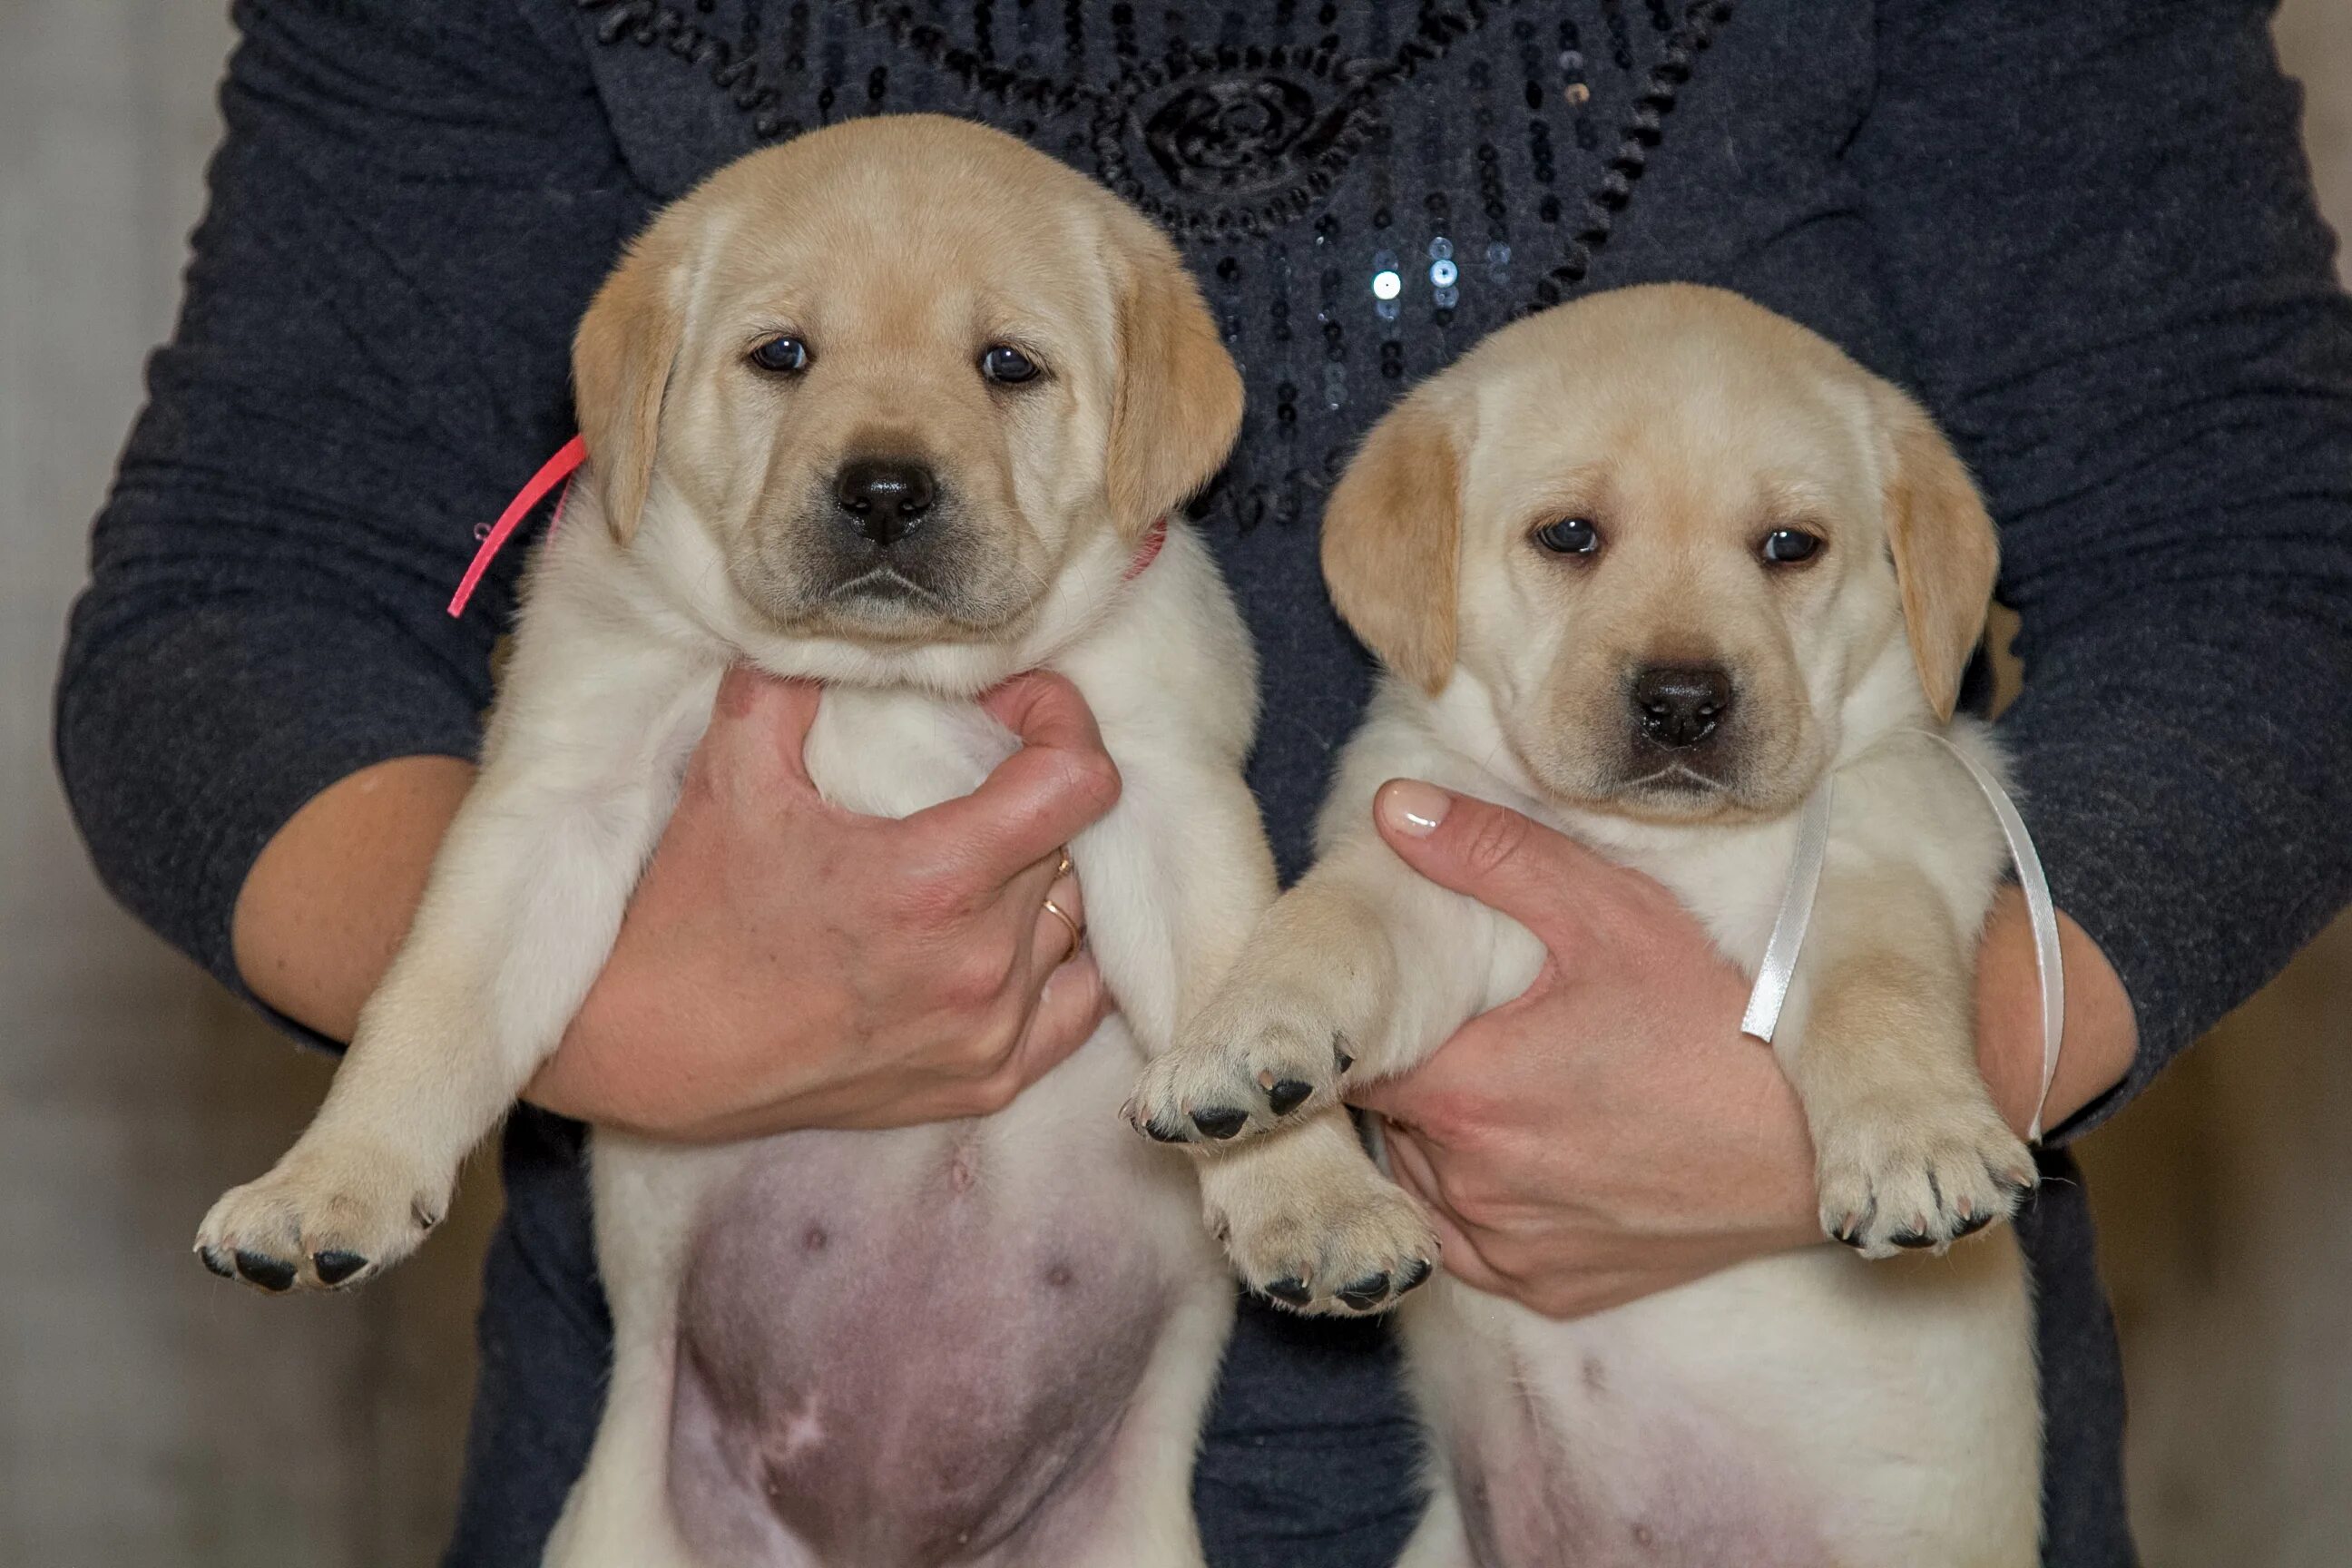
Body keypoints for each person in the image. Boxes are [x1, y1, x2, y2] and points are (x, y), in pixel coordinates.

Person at [54, 2, 2352, 1563]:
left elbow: (2262, 562)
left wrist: (1904, 1067)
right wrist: (586, 1002)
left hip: (1806, 1443)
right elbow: (242, 591)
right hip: (736, 1463)